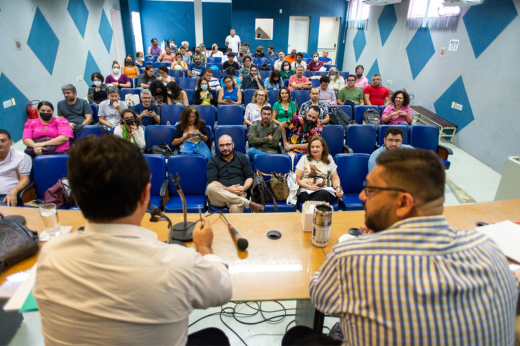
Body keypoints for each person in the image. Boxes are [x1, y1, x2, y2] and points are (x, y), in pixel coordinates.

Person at [283, 149, 519, 346]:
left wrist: (353, 244)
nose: (363, 196)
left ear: (403, 203)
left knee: (297, 337)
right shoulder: (491, 249)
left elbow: (320, 297)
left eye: (372, 190)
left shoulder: (353, 256)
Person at [33, 135, 233, 346]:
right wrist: (204, 248)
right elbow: (224, 290)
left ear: (76, 196)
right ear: (146, 194)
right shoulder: (178, 263)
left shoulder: (50, 255)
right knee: (215, 338)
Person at [206, 135, 264, 213]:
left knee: (236, 208)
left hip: (239, 194)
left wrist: (244, 188)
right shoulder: (213, 160)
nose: (225, 148)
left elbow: (249, 177)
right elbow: (213, 181)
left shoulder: (242, 157)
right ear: (218, 146)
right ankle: (248, 203)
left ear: (233, 144)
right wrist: (227, 189)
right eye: (221, 145)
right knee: (210, 187)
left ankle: (234, 225)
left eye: (228, 144)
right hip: (219, 198)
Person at [294, 137, 343, 205]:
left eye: (317, 147)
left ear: (323, 148)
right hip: (307, 191)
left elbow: (335, 177)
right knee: (319, 197)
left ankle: (310, 211)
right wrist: (310, 187)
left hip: (326, 191)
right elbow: (296, 179)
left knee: (322, 193)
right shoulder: (304, 159)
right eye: (312, 147)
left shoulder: (329, 158)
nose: (314, 149)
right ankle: (316, 211)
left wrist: (337, 188)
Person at [0, 129, 31, 206]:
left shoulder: (21, 157)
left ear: (10, 143)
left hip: (7, 195)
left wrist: (14, 191)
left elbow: (25, 179)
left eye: (3, 141)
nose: (0, 144)